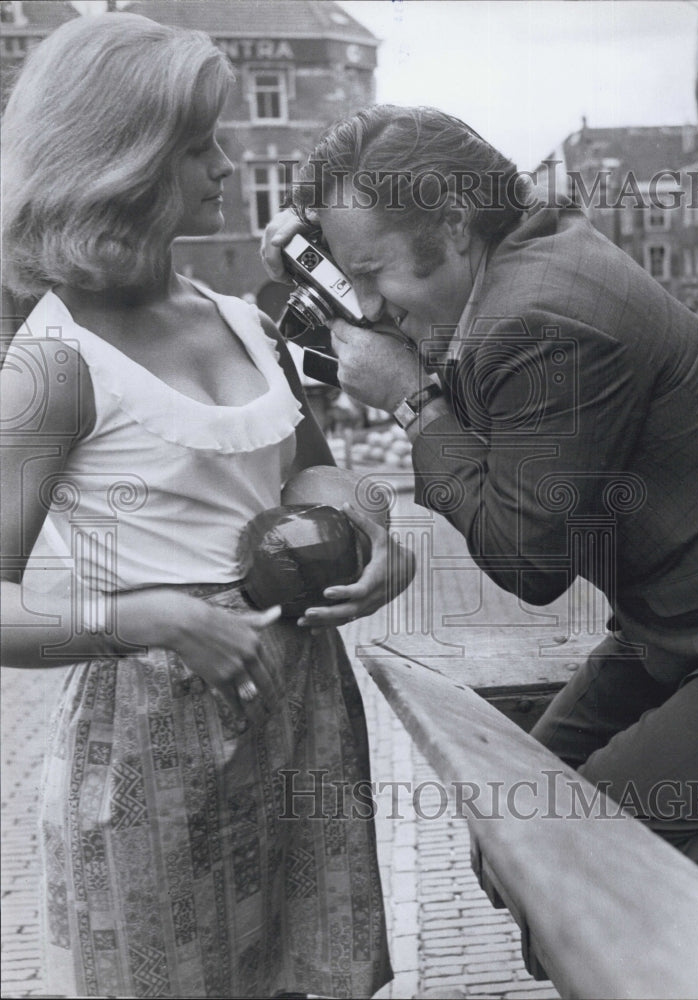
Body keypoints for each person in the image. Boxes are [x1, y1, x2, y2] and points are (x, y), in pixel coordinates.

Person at [262, 104, 698, 889]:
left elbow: (529, 561)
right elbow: (400, 312)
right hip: (676, 627)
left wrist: (414, 401)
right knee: (512, 831)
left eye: (372, 272)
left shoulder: (544, 319)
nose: (371, 305)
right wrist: (321, 261)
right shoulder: (517, 254)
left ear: (451, 222)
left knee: (563, 854)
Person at [0, 18, 412, 999]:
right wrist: (150, 618)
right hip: (151, 742)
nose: (228, 168)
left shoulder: (244, 318)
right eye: (198, 146)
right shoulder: (50, 365)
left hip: (301, 706)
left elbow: (313, 476)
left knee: (299, 974)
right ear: (121, 162)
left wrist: (376, 534)